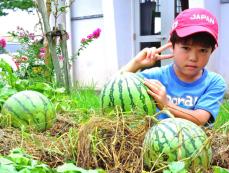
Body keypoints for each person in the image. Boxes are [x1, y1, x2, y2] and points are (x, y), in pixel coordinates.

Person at [121, 8, 227, 126]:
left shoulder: (214, 82)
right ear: (171, 45)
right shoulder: (155, 77)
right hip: (155, 144)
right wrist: (136, 64)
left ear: (212, 51)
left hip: (195, 143)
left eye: (203, 50)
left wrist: (167, 105)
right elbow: (113, 89)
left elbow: (200, 119)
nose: (193, 58)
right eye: (186, 48)